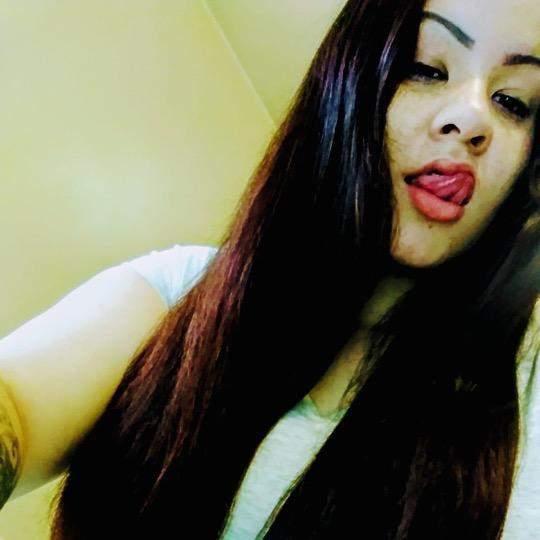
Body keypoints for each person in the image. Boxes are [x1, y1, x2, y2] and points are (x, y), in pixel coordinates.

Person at [0, 0, 538, 537]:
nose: (472, 119)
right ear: (348, 80)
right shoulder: (178, 295)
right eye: (425, 69)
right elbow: (18, 408)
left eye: (513, 103)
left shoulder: (524, 403)